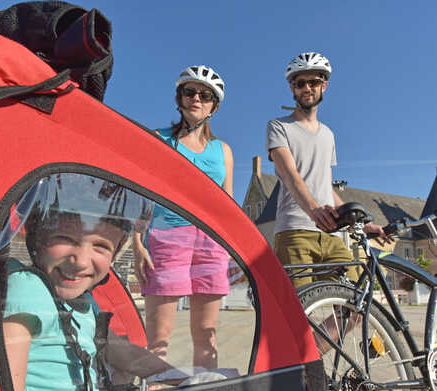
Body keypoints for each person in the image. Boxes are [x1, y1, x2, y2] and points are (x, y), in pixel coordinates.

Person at [1, 174, 177, 391]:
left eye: (101, 246)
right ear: (37, 238)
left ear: (115, 253)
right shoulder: (27, 290)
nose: (81, 261)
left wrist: (189, 379)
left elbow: (128, 356)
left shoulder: (86, 303)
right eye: (64, 238)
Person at [133, 65, 234, 370]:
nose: (196, 99)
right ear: (179, 98)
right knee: (158, 340)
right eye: (189, 92)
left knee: (207, 337)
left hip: (211, 243)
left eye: (205, 95)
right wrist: (137, 243)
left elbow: (228, 205)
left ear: (213, 106)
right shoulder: (156, 139)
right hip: (166, 238)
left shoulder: (223, 150)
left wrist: (231, 248)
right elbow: (140, 193)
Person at [265, 52, 392, 289]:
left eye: (313, 82)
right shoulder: (279, 126)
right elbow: (290, 174)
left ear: (324, 85)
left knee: (358, 299)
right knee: (297, 312)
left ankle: (319, 330)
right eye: (300, 83)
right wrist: (313, 210)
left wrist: (360, 224)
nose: (307, 88)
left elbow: (326, 187)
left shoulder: (328, 134)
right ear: (292, 88)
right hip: (295, 231)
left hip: (331, 234)